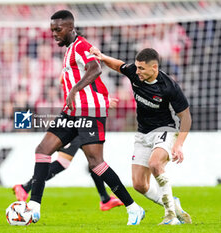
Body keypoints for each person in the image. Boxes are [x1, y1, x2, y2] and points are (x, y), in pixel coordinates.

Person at [26, 10, 145, 226]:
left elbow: (95, 69)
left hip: (89, 111)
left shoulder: (81, 45)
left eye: (58, 29)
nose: (54, 34)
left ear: (71, 28)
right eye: (52, 29)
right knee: (42, 150)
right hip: (72, 111)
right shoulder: (70, 49)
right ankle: (34, 207)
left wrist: (75, 91)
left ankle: (134, 208)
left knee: (95, 163)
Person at [90, 47, 192, 225]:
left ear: (154, 68)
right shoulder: (135, 73)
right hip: (143, 132)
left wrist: (179, 144)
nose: (137, 72)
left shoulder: (169, 87)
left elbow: (186, 116)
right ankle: (172, 204)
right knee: (139, 184)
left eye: (141, 69)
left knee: (155, 164)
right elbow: (119, 66)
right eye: (136, 67)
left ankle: (170, 216)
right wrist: (102, 56)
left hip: (165, 129)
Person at [13, 100, 124, 212]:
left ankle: (105, 199)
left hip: (82, 119)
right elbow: (74, 86)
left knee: (93, 161)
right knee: (73, 162)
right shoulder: (81, 84)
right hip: (78, 121)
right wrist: (101, 101)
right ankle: (25, 187)